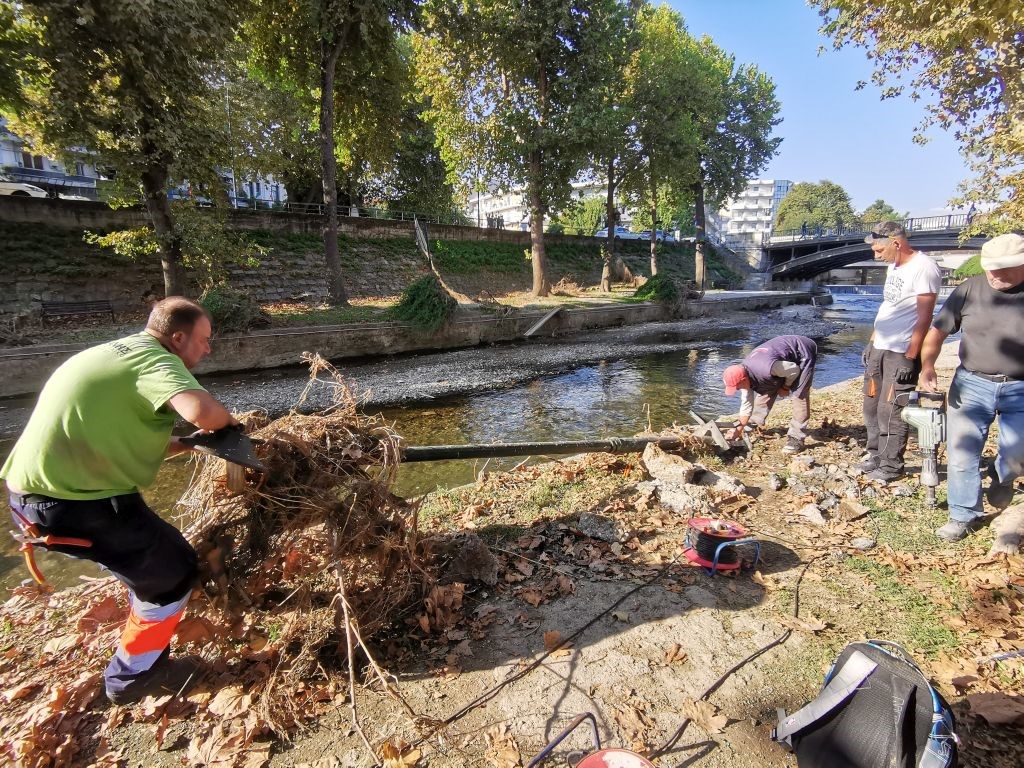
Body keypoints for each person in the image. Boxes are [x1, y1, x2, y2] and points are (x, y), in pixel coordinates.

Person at [2, 297, 238, 704]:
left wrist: (185, 444)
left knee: (149, 564)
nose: (208, 349)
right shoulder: (156, 362)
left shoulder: (114, 353)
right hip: (76, 504)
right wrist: (231, 426)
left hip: (35, 494)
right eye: (204, 340)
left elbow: (116, 442)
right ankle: (133, 676)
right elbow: (204, 411)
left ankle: (145, 629)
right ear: (178, 338)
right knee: (172, 573)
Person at [920, 233, 1024, 541]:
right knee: (962, 453)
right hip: (971, 384)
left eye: (1003, 268)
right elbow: (937, 332)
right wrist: (928, 365)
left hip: (1020, 388)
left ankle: (1002, 477)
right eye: (989, 267)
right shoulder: (969, 290)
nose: (994, 275)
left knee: (1017, 453)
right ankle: (962, 514)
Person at [859, 221, 941, 482]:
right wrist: (872, 341)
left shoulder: (924, 268)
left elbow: (924, 317)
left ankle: (891, 465)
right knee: (871, 406)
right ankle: (875, 455)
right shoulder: (894, 266)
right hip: (880, 346)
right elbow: (888, 307)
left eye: (879, 250)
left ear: (896, 243)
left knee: (891, 410)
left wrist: (911, 356)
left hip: (900, 352)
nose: (876, 255)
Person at [723, 335, 818, 454]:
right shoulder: (742, 375)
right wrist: (739, 429)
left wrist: (785, 387)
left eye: (737, 387)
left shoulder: (766, 368)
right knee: (767, 386)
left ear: (743, 380)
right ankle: (753, 422)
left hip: (803, 350)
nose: (737, 389)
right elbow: (746, 405)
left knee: (800, 395)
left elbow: (794, 370)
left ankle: (796, 438)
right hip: (779, 361)